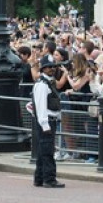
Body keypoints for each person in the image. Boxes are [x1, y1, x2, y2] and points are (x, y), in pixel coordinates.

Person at [32, 54, 65, 188]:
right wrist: (45, 124)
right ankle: (49, 179)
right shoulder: (42, 85)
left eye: (53, 67)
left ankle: (39, 178)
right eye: (48, 67)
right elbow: (40, 107)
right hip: (45, 122)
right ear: (43, 69)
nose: (51, 69)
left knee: (43, 150)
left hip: (50, 120)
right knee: (47, 151)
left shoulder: (48, 83)